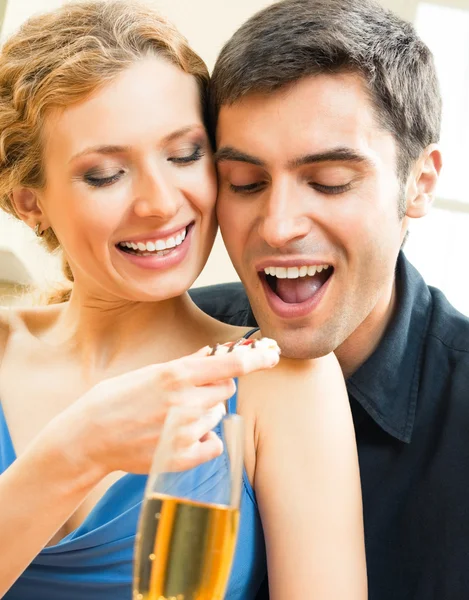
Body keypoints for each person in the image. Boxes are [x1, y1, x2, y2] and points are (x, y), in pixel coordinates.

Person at [0, 1, 366, 599]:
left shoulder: (283, 382)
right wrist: (77, 450)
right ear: (29, 201)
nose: (160, 203)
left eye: (184, 154)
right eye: (103, 174)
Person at [190, 0, 469, 599]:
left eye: (330, 182)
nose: (279, 223)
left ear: (418, 185)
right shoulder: (175, 348)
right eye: (246, 183)